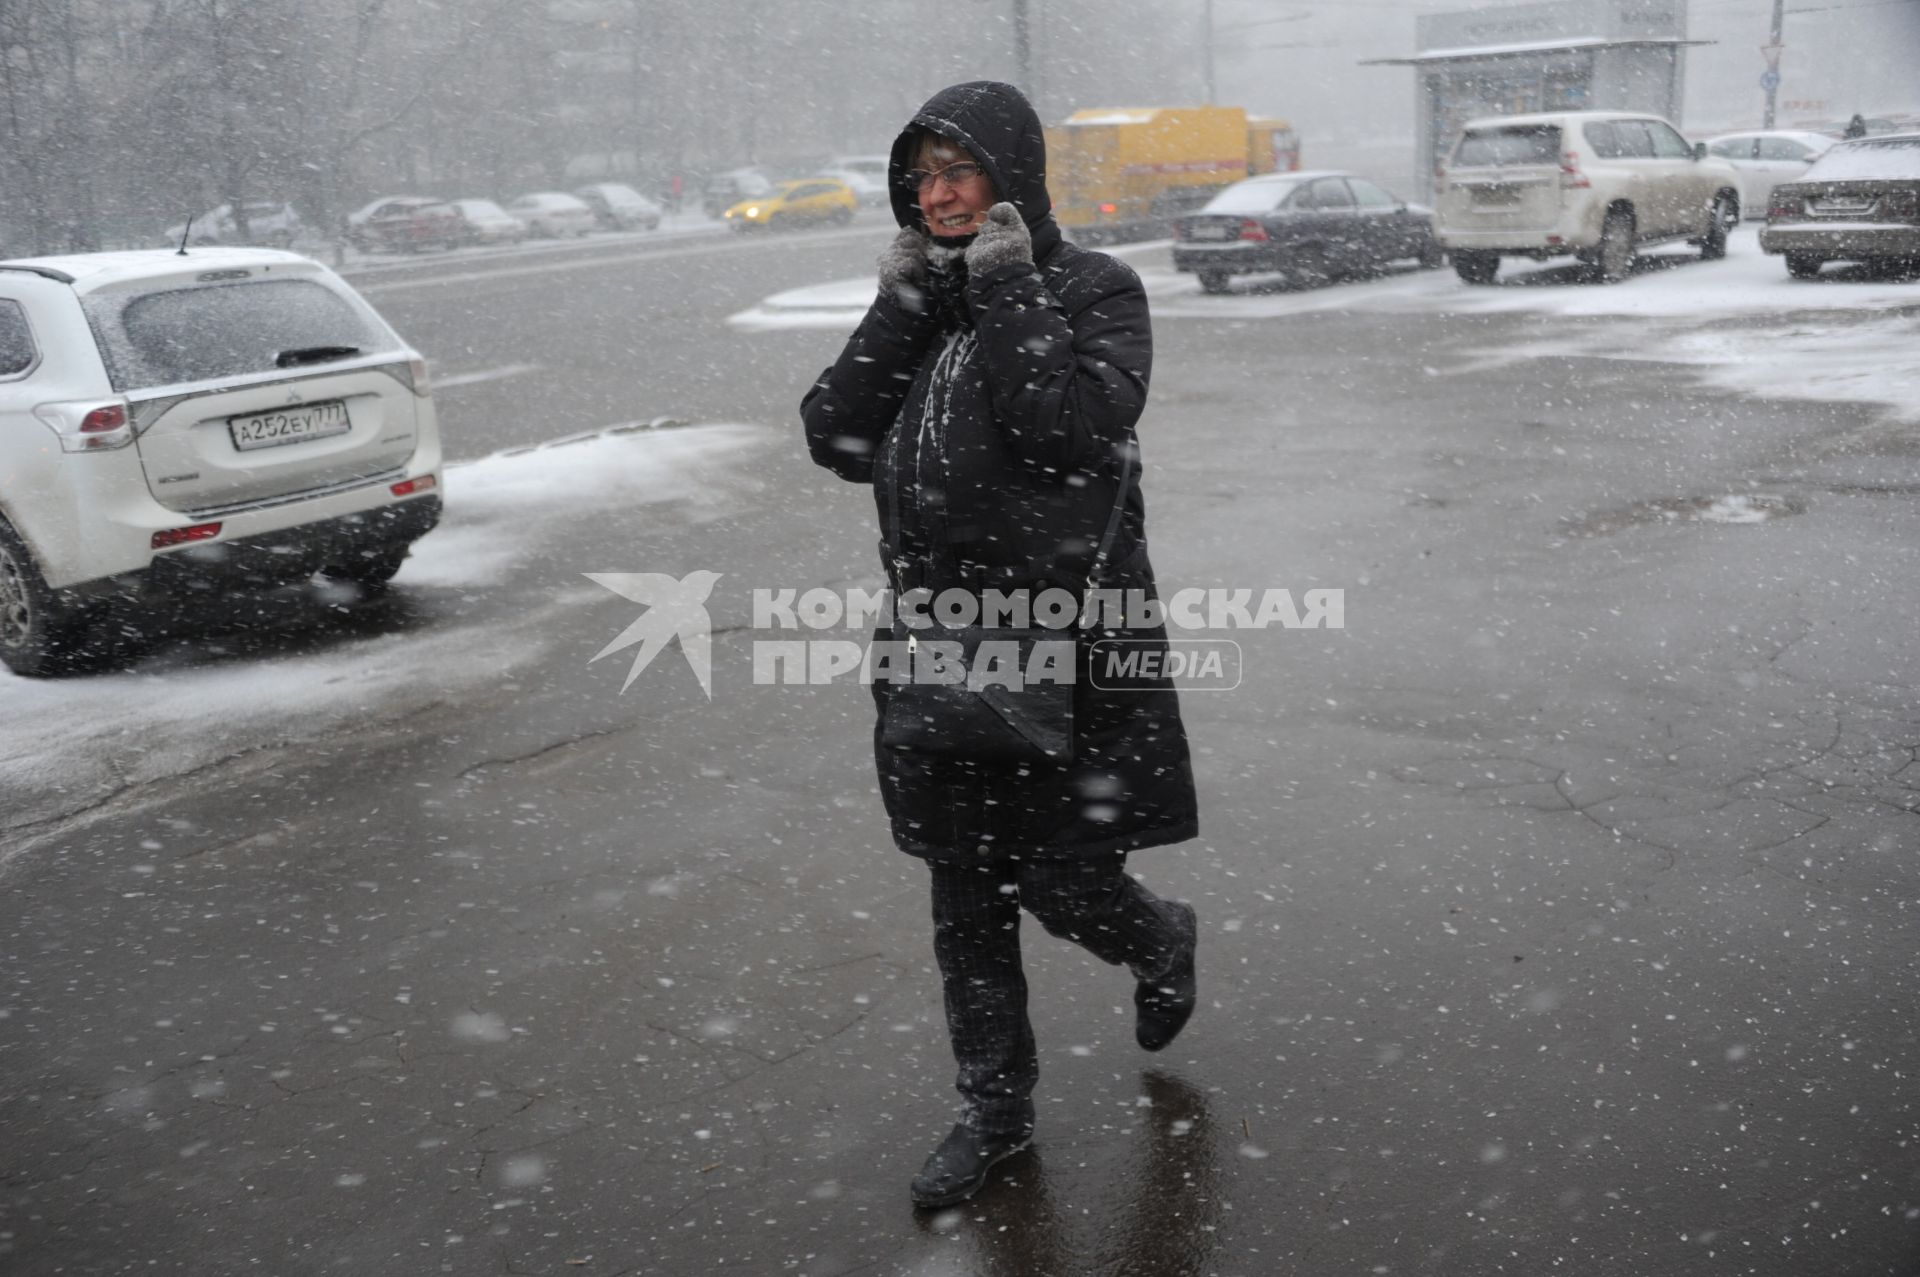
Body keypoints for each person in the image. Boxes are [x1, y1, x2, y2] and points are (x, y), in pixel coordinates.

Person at [800, 81, 1201, 1208]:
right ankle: (995, 1109)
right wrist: (903, 305)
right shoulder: (919, 296)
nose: (937, 194)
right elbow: (834, 434)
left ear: (1012, 176)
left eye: (959, 171)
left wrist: (1008, 284)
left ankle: (1157, 938)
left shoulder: (1095, 289)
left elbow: (1065, 429)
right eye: (921, 176)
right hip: (942, 638)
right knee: (964, 885)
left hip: (1072, 640)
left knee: (1069, 873)